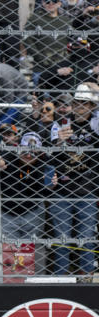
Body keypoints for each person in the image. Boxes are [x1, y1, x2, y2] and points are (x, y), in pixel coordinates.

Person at [49, 83, 99, 274]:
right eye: (77, 102)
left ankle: (86, 277)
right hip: (62, 188)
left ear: (91, 106)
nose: (80, 107)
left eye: (85, 103)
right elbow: (50, 157)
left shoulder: (95, 123)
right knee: (62, 238)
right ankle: (61, 278)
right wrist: (60, 141)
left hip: (87, 188)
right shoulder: (60, 123)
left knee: (86, 237)